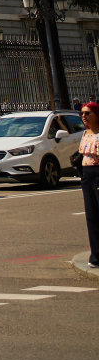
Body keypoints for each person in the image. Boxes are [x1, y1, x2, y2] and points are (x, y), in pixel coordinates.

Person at [79, 103, 99, 268]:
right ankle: (96, 256)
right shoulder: (85, 134)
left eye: (88, 113)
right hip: (87, 176)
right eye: (82, 114)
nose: (84, 117)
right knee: (92, 216)